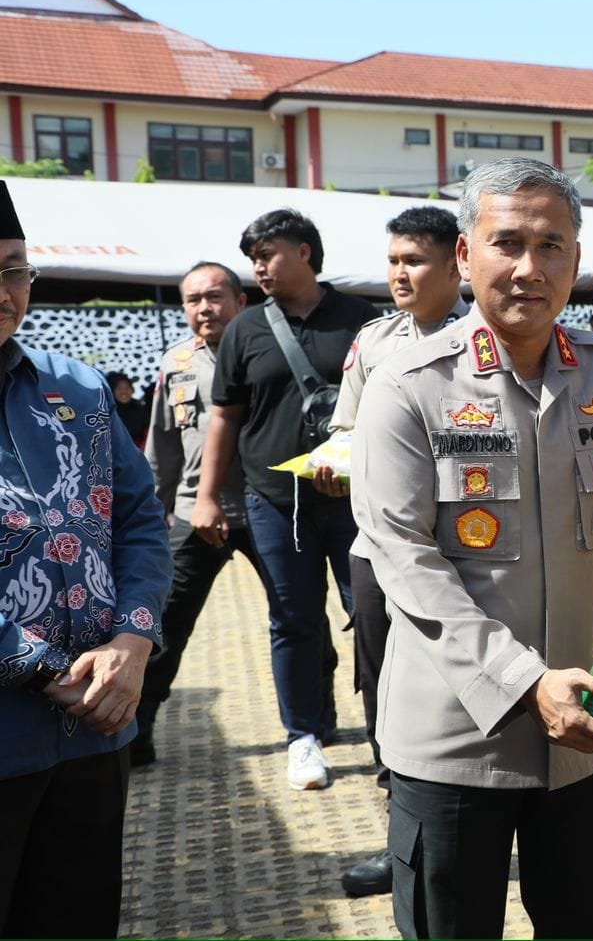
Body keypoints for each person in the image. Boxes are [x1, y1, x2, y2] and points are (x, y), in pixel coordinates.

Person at [349, 157, 593, 939]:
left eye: (552, 245)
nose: (530, 268)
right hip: (455, 742)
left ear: (576, 260)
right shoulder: (408, 384)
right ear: (464, 255)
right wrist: (526, 683)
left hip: (586, 739)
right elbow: (405, 560)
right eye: (508, 243)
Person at [0, 181, 172, 937]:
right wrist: (47, 670)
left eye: (13, 271)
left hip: (98, 728)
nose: (3, 293)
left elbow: (140, 518)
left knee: (77, 916)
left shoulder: (77, 388)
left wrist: (133, 644)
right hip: (11, 731)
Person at [191, 208, 379, 791]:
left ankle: (389, 737)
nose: (259, 268)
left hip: (357, 501)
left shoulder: (362, 320)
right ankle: (303, 738)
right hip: (274, 501)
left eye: (267, 254)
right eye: (252, 259)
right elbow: (223, 417)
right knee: (292, 621)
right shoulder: (246, 329)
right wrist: (208, 498)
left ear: (304, 252)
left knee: (374, 617)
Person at [323, 205, 468, 899]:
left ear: (456, 263)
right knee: (384, 692)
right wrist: (332, 460)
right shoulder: (375, 342)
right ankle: (402, 841)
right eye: (393, 262)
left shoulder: (488, 341)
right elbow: (345, 430)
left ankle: (479, 832)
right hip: (378, 550)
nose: (399, 275)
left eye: (414, 261)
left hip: (470, 553)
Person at [134, 260, 264, 766]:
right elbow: (162, 445)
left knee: (298, 621)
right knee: (161, 626)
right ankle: (136, 732)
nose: (205, 308)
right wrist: (153, 511)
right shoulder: (176, 362)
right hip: (193, 511)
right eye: (194, 300)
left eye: (215, 297)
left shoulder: (261, 351)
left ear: (240, 302)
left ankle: (313, 725)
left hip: (261, 508)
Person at [105, 369, 149, 446]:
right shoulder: (107, 411)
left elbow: (147, 436)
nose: (124, 392)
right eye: (119, 388)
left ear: (132, 390)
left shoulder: (141, 410)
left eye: (127, 388)